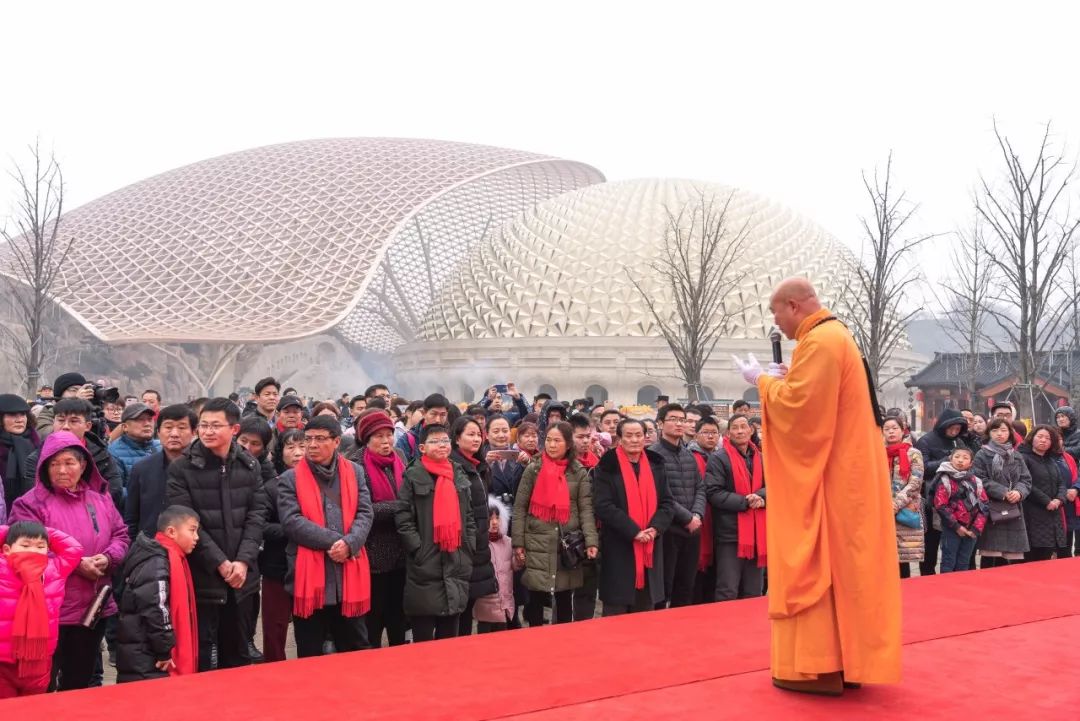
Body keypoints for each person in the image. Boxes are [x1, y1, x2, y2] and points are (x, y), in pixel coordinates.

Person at [736, 277, 900, 694]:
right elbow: (817, 399)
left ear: (793, 306)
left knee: (823, 562)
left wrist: (763, 382)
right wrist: (788, 378)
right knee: (846, 569)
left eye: (777, 315)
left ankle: (819, 665)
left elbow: (800, 412)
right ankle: (846, 661)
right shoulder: (833, 336)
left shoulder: (822, 340)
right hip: (848, 473)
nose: (779, 325)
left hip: (834, 477)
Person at [9, 431, 130, 690]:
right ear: (43, 466)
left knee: (80, 677)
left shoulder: (100, 498)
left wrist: (108, 558)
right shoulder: (29, 504)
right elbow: (26, 552)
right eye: (54, 464)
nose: (62, 470)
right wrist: (77, 565)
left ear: (83, 464)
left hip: (93, 605)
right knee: (42, 681)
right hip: (50, 610)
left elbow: (120, 534)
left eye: (69, 462)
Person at [166, 397, 270, 671]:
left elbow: (257, 516)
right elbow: (187, 523)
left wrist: (244, 561)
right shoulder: (182, 468)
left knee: (238, 654)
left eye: (215, 425)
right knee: (201, 656)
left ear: (234, 430)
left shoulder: (249, 465)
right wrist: (221, 563)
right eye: (204, 425)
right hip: (202, 575)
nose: (208, 431)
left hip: (242, 576)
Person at [277, 416, 373, 656]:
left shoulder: (355, 472)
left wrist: (350, 543)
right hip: (309, 576)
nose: (311, 445)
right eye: (308, 439)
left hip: (349, 571)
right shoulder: (290, 478)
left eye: (320, 439)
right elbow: (292, 522)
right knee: (310, 650)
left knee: (355, 646)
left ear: (337, 441)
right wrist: (336, 542)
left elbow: (365, 511)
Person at [394, 424, 476, 642]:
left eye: (445, 441)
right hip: (425, 560)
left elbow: (469, 516)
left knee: (450, 637)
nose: (442, 445)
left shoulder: (457, 473)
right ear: (422, 447)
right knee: (424, 636)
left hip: (456, 557)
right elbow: (403, 516)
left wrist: (468, 546)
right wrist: (417, 548)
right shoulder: (413, 475)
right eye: (435, 441)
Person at [511, 421, 598, 625]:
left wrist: (591, 541)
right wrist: (518, 543)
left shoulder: (578, 472)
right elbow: (520, 508)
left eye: (557, 440)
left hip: (565, 545)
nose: (551, 445)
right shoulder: (533, 469)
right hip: (537, 543)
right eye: (548, 440)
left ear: (568, 444)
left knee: (564, 599)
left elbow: (586, 509)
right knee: (535, 599)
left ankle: (562, 646)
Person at [593, 418, 674, 615]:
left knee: (645, 610)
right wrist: (634, 531)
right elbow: (603, 506)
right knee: (616, 611)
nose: (634, 440)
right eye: (628, 435)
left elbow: (667, 502)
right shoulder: (607, 465)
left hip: (650, 544)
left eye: (639, 435)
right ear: (619, 438)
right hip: (620, 545)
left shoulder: (656, 464)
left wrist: (655, 528)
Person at [116, 505, 200, 681]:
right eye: (192, 530)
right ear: (171, 531)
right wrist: (164, 650)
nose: (196, 537)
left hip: (144, 652)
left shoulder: (161, 556)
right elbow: (156, 608)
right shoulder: (157, 560)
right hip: (147, 657)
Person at [0, 521, 82, 698]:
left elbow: (74, 548)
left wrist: (42, 531)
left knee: (33, 709)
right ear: (6, 549)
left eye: (40, 546)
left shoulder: (54, 570)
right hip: (3, 660)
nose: (33, 551)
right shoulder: (2, 567)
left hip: (39, 659)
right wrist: (11, 530)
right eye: (25, 545)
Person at [347, 411, 407, 647]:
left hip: (402, 550)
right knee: (373, 616)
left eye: (389, 435)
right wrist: (401, 507)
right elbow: (362, 509)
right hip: (372, 554)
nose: (386, 442)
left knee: (398, 616)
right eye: (378, 436)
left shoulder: (400, 456)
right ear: (366, 438)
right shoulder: (355, 465)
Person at [704, 414, 766, 601]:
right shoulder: (719, 458)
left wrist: (761, 497)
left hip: (758, 532)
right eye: (735, 428)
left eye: (743, 427)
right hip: (730, 533)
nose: (740, 431)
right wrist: (746, 501)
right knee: (727, 589)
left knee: (754, 590)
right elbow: (713, 492)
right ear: (728, 433)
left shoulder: (762, 457)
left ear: (751, 430)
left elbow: (775, 484)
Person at [649, 404, 705, 608]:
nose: (680, 423)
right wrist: (687, 518)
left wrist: (697, 514)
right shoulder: (653, 455)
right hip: (668, 530)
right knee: (664, 586)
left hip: (692, 530)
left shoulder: (687, 454)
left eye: (683, 420)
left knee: (685, 585)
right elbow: (662, 495)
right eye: (674, 419)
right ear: (661, 423)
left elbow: (700, 486)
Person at [23, 398, 124, 510]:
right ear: (53, 422)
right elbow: (35, 497)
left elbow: (114, 490)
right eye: (61, 420)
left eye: (74, 421)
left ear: (88, 426)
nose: (65, 426)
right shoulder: (37, 458)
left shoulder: (101, 454)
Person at [449, 417, 497, 636]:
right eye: (470, 434)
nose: (476, 438)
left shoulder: (479, 466)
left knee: (470, 602)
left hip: (478, 543)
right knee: (459, 605)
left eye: (479, 434)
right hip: (462, 545)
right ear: (456, 438)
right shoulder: (453, 466)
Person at [124, 405, 198, 541]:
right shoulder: (142, 469)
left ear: (194, 432)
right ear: (158, 432)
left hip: (194, 549)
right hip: (151, 549)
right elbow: (131, 518)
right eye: (168, 427)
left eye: (182, 428)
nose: (174, 434)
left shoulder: (203, 468)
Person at [262, 428, 305, 663]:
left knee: (308, 629)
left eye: (303, 446)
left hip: (311, 567)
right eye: (291, 447)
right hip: (277, 567)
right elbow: (260, 526)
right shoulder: (271, 487)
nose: (298, 453)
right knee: (274, 629)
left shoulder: (321, 484)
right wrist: (295, 530)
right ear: (281, 453)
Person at [912, 408, 971, 577]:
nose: (954, 432)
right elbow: (921, 467)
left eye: (958, 429)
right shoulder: (926, 441)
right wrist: (946, 461)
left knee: (951, 542)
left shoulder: (958, 442)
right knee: (931, 541)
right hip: (931, 497)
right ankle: (927, 575)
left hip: (956, 498)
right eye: (951, 428)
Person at [974, 417, 1032, 568]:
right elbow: (979, 479)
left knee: (1012, 558)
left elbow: (1026, 480)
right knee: (990, 555)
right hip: (991, 509)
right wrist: (1003, 491)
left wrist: (1019, 492)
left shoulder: (1017, 455)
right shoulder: (982, 454)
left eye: (1003, 430)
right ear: (989, 433)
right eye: (995, 430)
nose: (999, 433)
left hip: (1014, 509)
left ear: (1010, 433)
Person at [932, 447, 988, 573]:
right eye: (957, 457)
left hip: (971, 529)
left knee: (964, 562)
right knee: (948, 562)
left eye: (965, 458)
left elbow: (984, 505)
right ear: (950, 459)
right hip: (952, 528)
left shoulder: (976, 481)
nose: (960, 460)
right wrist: (957, 526)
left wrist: (975, 529)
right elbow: (940, 505)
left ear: (971, 463)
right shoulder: (945, 479)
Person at [883, 417, 925, 578]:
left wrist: (895, 504)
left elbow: (915, 483)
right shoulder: (877, 452)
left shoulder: (913, 453)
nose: (891, 431)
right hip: (881, 510)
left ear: (903, 430)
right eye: (887, 429)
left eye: (894, 428)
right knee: (884, 557)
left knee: (903, 558)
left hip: (905, 509)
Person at [1019, 425, 1069, 561]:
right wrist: (1046, 501)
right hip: (1033, 512)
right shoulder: (1023, 458)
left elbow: (1061, 483)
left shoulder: (1051, 460)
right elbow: (1027, 484)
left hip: (1053, 513)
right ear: (1032, 438)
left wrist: (1059, 499)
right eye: (1040, 436)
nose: (1043, 440)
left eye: (1047, 438)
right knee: (1033, 555)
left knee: (1048, 555)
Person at [473, 496, 516, 633]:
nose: (494, 522)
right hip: (486, 603)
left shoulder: (508, 542)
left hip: (504, 602)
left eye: (497, 518)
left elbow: (513, 567)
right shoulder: (480, 544)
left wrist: (519, 560)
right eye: (490, 519)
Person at [0, 394, 41, 513]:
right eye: (12, 415)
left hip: (32, 513)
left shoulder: (37, 444)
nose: (19, 420)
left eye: (23, 414)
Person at [109, 403, 163, 488]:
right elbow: (116, 491)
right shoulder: (114, 453)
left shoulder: (162, 446)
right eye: (140, 420)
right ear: (125, 427)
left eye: (150, 419)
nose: (147, 424)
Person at [395, 394, 451, 463]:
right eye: (434, 414)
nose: (438, 420)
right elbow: (401, 469)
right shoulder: (406, 441)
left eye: (442, 415)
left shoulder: (450, 438)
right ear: (424, 413)